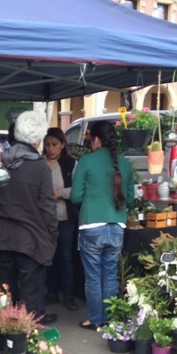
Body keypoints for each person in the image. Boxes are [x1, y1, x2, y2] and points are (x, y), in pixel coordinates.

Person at [0, 110, 58, 324]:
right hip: (29, 240)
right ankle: (26, 344)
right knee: (30, 296)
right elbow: (48, 208)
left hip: (0, 238)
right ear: (38, 139)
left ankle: (5, 340)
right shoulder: (40, 167)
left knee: (5, 294)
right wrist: (52, 236)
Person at [70, 119, 135, 329]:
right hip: (117, 226)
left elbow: (75, 197)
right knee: (110, 275)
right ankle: (111, 319)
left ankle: (96, 320)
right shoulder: (124, 164)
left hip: (91, 226)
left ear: (95, 139)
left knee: (93, 278)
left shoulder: (87, 161)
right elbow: (131, 199)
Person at [43, 127, 78, 311]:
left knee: (65, 256)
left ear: (62, 144)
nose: (51, 148)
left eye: (55, 144)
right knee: (49, 257)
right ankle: (51, 292)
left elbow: (78, 190)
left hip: (65, 217)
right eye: (47, 144)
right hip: (44, 219)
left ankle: (69, 295)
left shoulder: (71, 164)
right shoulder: (40, 163)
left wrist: (59, 193)